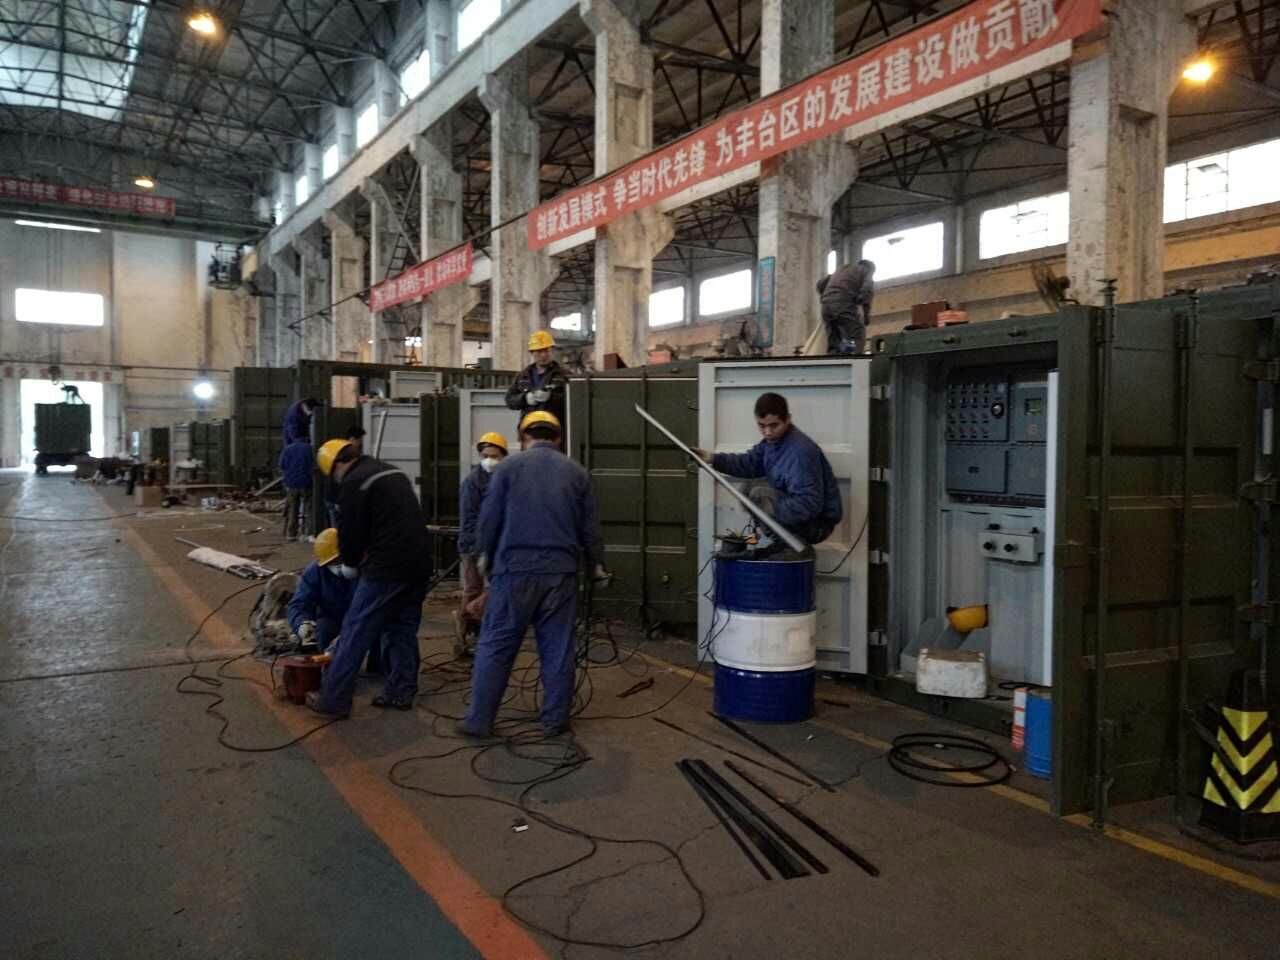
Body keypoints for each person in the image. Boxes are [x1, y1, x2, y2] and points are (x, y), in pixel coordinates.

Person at [457, 411, 607, 739]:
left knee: (496, 645)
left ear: (523, 437)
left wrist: (484, 557)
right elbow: (590, 527)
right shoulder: (577, 472)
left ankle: (479, 721)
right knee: (558, 647)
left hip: (514, 571)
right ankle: (555, 721)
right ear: (558, 438)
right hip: (561, 574)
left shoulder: (507, 469)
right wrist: (597, 564)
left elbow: (489, 519)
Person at [305, 437, 433, 718]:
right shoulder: (390, 470)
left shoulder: (354, 482)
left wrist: (351, 563)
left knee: (355, 630)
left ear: (335, 466)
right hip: (420, 565)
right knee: (401, 628)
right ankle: (400, 692)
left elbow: (350, 536)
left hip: (387, 568)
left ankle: (334, 699)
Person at [693, 392, 842, 550]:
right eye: (762, 425)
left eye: (774, 425)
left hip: (816, 525)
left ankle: (790, 547)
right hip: (800, 516)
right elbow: (749, 463)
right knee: (748, 488)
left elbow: (809, 505)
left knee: (759, 495)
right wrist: (713, 459)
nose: (768, 432)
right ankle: (781, 543)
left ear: (788, 419)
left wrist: (768, 509)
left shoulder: (800, 453)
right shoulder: (773, 442)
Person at [454, 431, 509, 657]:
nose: (489, 460)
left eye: (494, 456)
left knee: (495, 589)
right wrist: (479, 550)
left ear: (503, 456)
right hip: (474, 546)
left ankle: (479, 628)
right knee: (473, 589)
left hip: (497, 545)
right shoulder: (473, 482)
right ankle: (465, 634)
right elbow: (470, 519)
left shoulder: (505, 479)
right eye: (486, 456)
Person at [287, 528, 357, 654]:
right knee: (323, 634)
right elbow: (298, 604)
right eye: (333, 562)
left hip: (360, 617)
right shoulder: (315, 572)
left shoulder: (364, 568)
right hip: (332, 618)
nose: (338, 565)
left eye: (339, 560)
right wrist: (301, 624)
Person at [505, 330, 568, 430]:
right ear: (532, 353)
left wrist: (552, 397)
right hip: (528, 430)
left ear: (552, 350)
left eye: (546, 350)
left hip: (554, 430)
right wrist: (525, 398)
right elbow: (510, 400)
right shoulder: (522, 376)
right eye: (539, 351)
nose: (543, 355)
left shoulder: (564, 375)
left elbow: (574, 401)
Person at [817, 259, 875, 355]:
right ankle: (855, 360)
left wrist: (826, 295)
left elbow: (820, 283)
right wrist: (866, 316)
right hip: (843, 302)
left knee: (834, 339)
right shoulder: (865, 270)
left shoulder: (842, 269)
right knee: (858, 333)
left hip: (825, 306)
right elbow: (867, 290)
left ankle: (833, 358)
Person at [280, 439, 313, 541]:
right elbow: (314, 465)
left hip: (291, 483)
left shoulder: (287, 449)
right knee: (310, 508)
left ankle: (291, 534)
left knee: (293, 509)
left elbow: (282, 465)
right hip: (306, 482)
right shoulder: (310, 449)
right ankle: (309, 533)